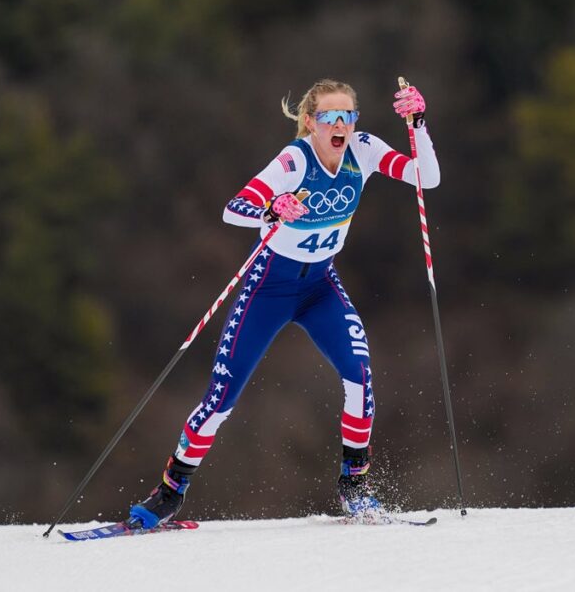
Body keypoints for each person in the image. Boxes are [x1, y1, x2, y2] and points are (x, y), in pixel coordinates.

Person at [128, 79, 439, 527]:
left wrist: (419, 124)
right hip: (268, 288)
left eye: (347, 116)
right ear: (310, 122)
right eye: (329, 117)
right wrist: (273, 207)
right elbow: (234, 208)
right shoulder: (295, 160)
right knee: (221, 399)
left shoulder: (364, 150)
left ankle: (355, 487)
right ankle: (170, 492)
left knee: (361, 378)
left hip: (320, 288)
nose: (340, 126)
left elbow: (425, 178)